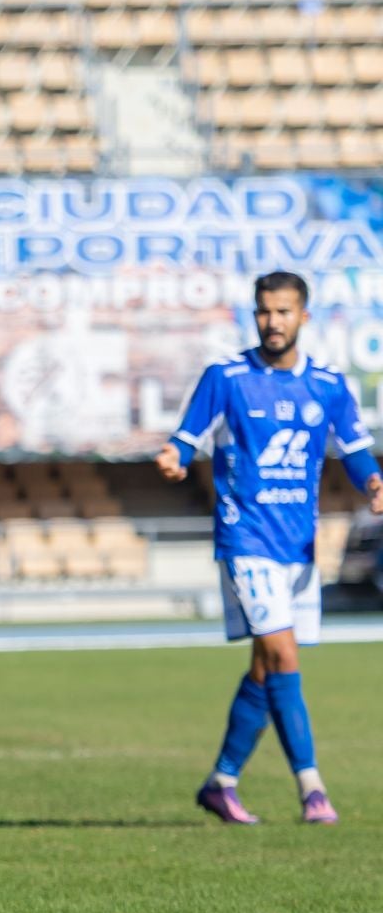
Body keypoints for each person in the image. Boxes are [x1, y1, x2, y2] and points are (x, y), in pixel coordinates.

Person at [158, 270, 383, 826]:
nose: (272, 321)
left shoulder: (327, 384)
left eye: (283, 312)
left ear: (304, 316)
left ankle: (221, 782)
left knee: (266, 668)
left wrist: (374, 481)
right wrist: (174, 458)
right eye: (263, 311)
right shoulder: (227, 378)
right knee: (283, 655)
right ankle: (312, 789)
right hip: (245, 538)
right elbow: (185, 438)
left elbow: (356, 450)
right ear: (254, 314)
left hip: (299, 547)